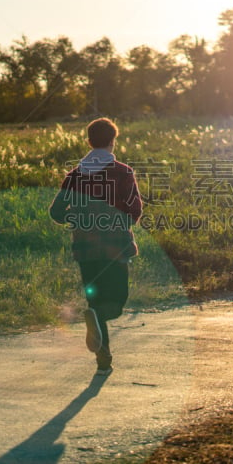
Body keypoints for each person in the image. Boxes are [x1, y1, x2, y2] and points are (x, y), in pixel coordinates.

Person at [50, 118, 143, 376]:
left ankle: (104, 361)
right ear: (113, 141)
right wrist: (119, 226)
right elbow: (134, 209)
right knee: (116, 302)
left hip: (85, 250)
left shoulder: (75, 175)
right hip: (116, 248)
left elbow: (57, 212)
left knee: (95, 301)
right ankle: (96, 323)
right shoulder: (122, 172)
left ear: (89, 141)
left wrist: (79, 220)